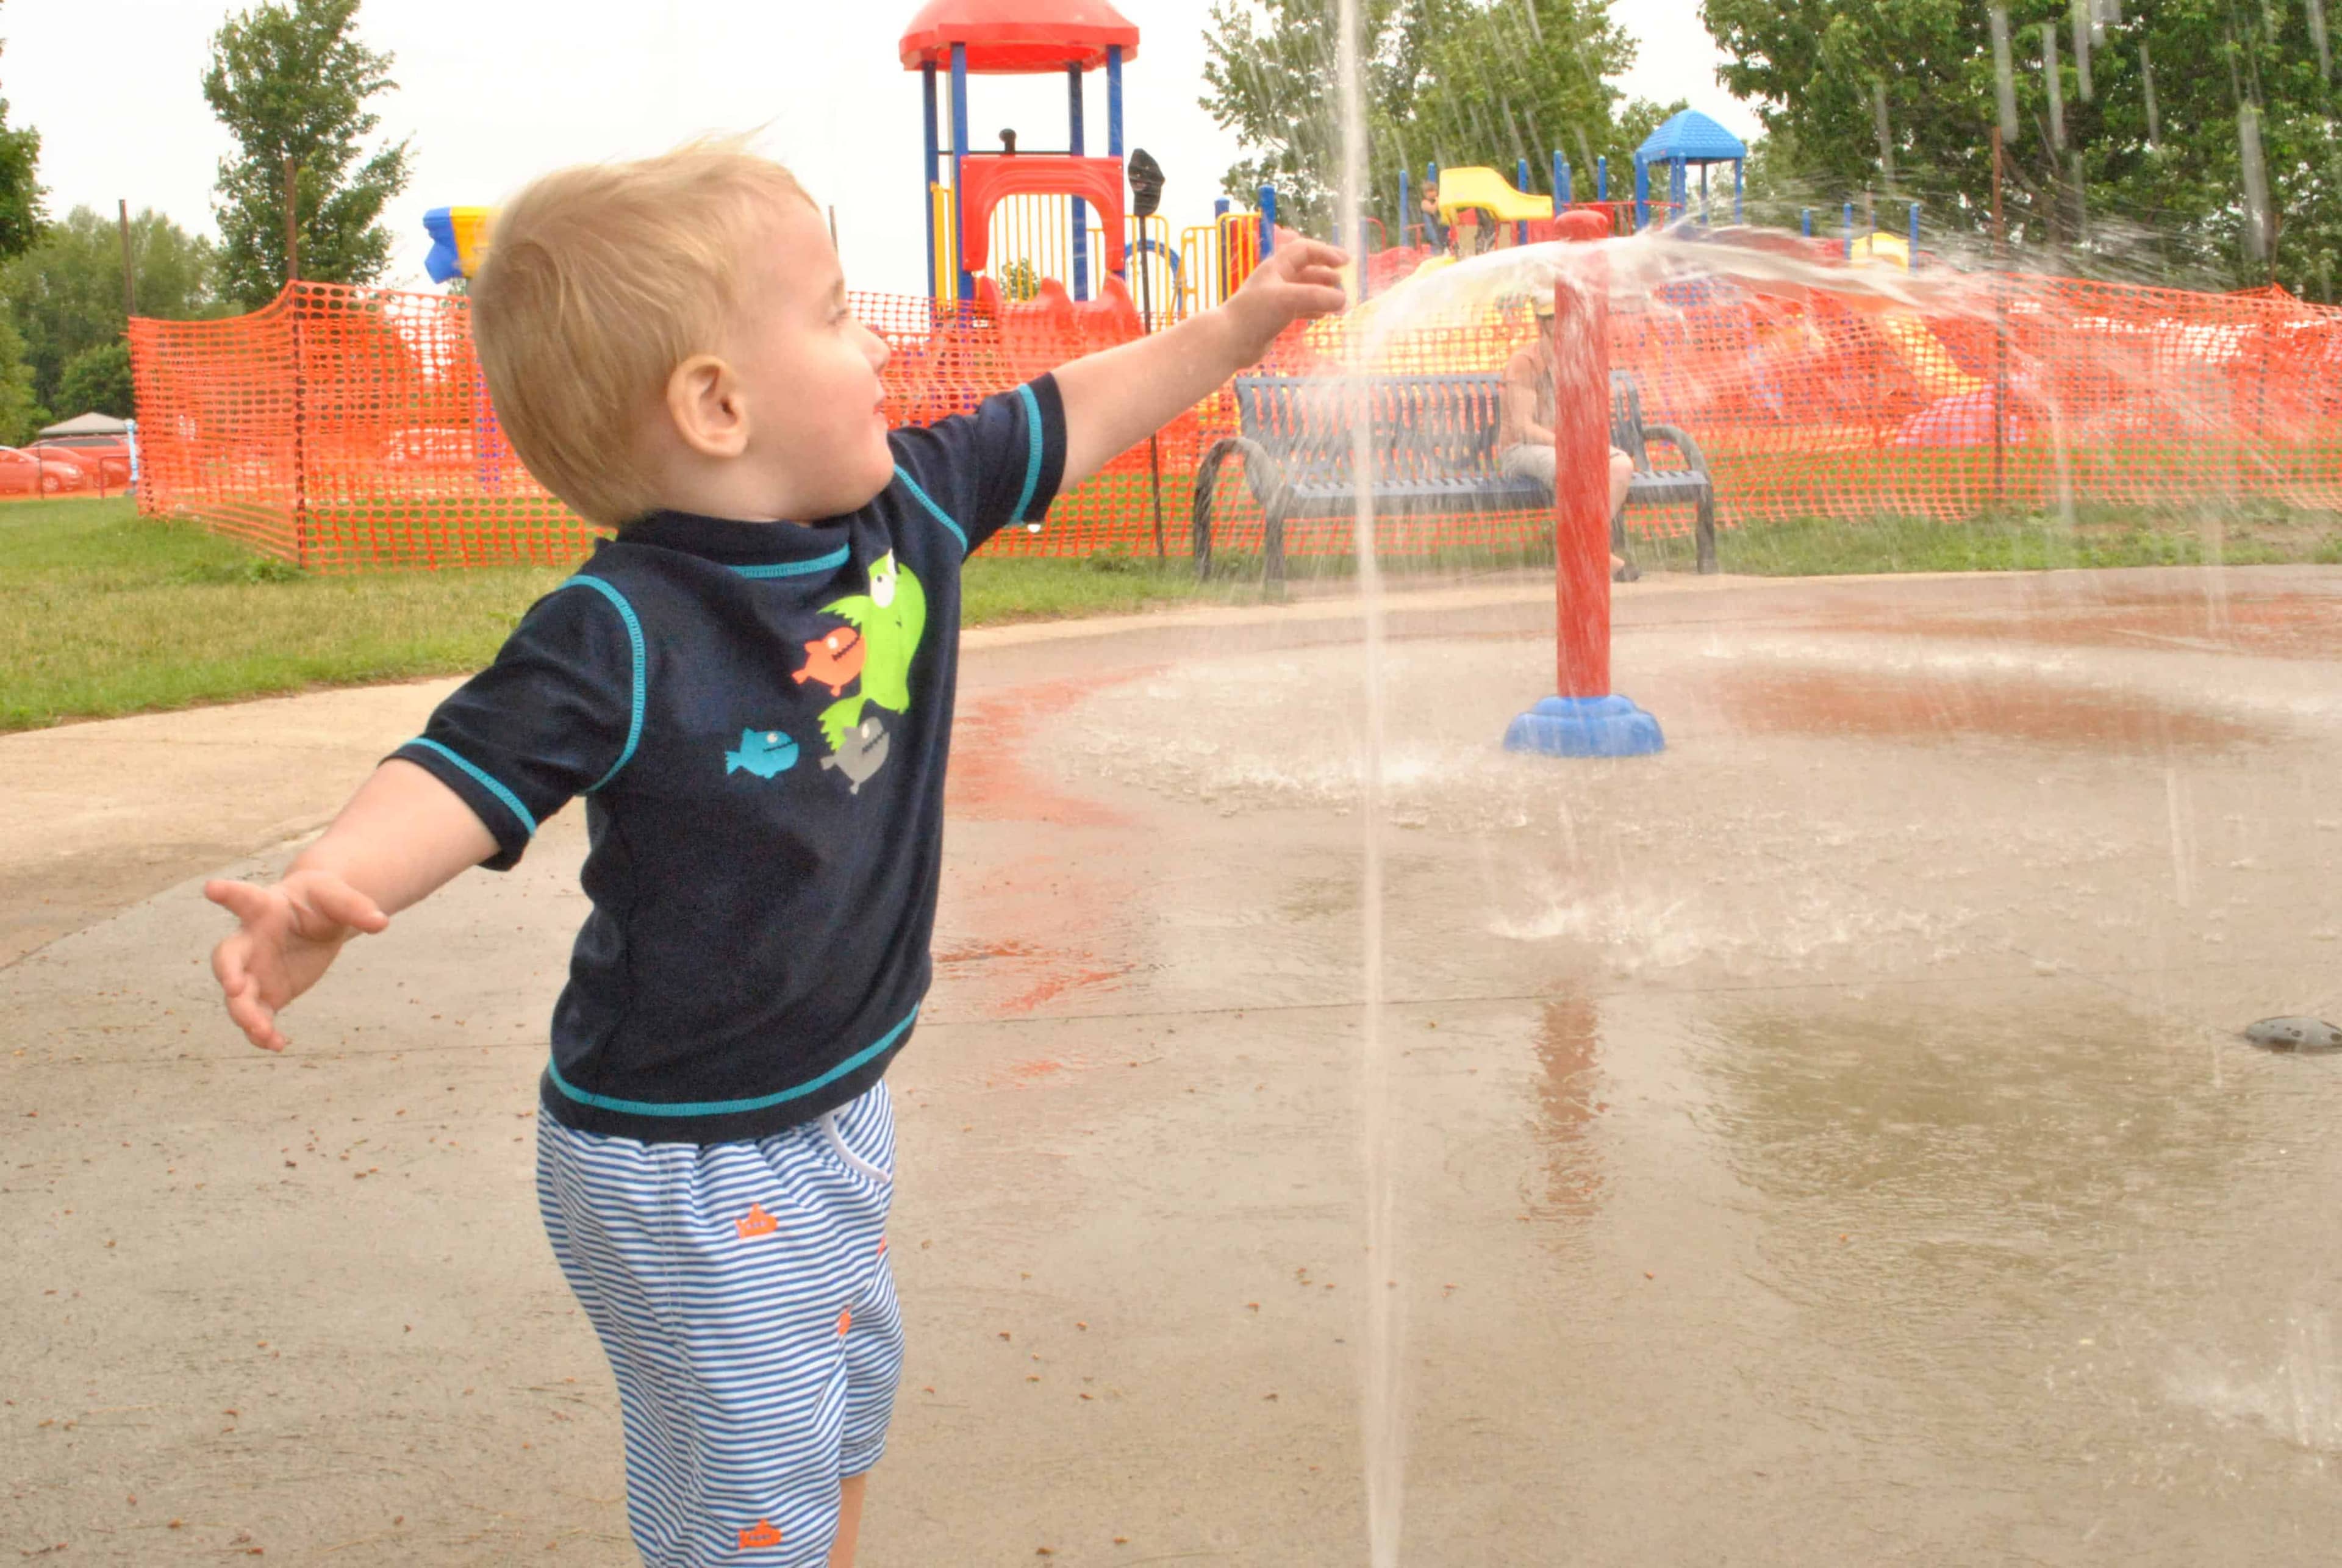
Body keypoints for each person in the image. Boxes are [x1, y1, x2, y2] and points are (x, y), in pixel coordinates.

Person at [200, 140, 1348, 1568]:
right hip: (682, 1149)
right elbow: (467, 764)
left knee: (837, 1414)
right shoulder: (624, 624)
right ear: (718, 402)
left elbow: (1073, 409)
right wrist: (339, 880)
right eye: (829, 313)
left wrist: (1235, 330)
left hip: (826, 1100)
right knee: (748, 1500)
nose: (873, 338)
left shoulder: (910, 510)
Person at [1500, 294, 1638, 581]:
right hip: (1521, 450)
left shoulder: (1576, 359)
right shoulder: (1525, 362)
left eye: (1564, 316)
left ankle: (1585, 545)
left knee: (1621, 465)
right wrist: (1571, 447)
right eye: (1552, 317)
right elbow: (1524, 427)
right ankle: (1598, 554)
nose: (1560, 323)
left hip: (1565, 447)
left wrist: (1584, 442)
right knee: (1575, 466)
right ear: (1540, 322)